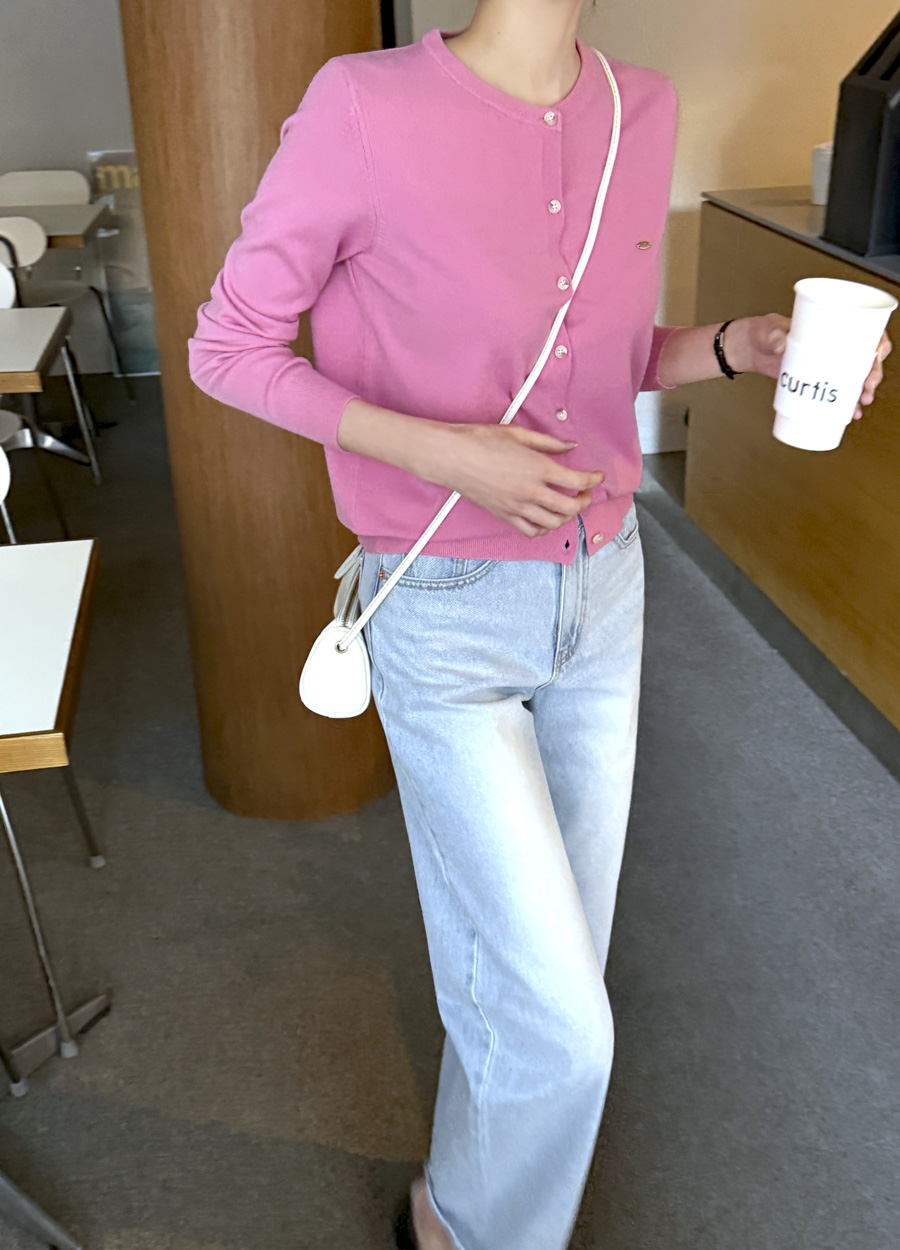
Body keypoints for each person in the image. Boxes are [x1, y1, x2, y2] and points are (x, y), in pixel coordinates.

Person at [187, 3, 891, 1248]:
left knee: (543, 977)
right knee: (561, 1022)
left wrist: (736, 346)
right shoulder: (365, 105)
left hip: (606, 592)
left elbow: (606, 358)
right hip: (445, 606)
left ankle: (453, 1205)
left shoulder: (641, 107)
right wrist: (445, 452)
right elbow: (226, 348)